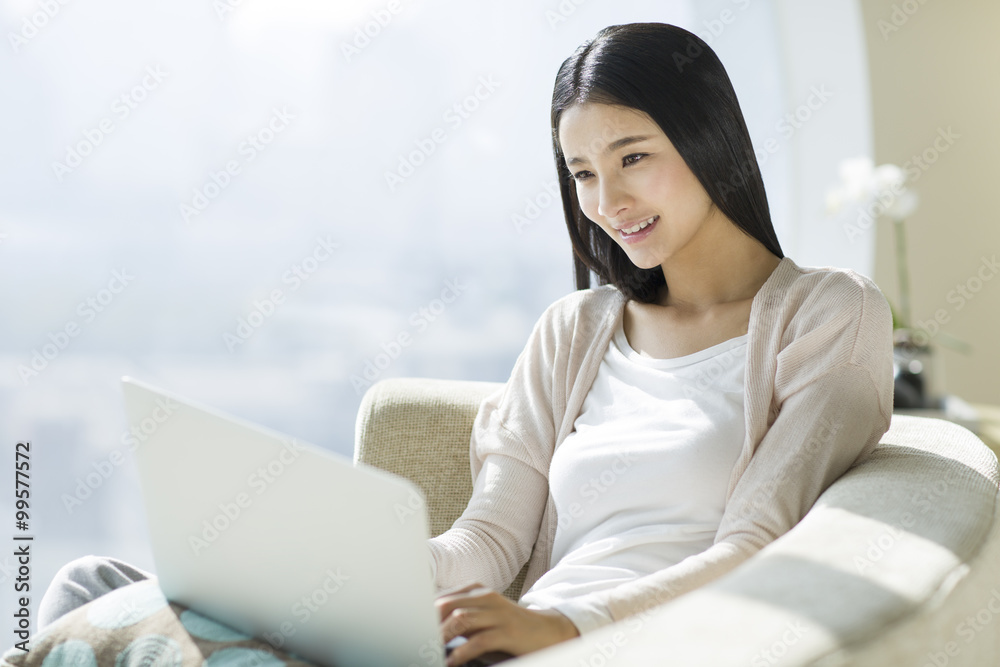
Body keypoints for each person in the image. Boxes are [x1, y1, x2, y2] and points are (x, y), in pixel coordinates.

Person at [38, 22, 894, 667]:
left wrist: (561, 626)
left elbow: (754, 546)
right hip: (489, 642)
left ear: (709, 140)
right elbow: (485, 542)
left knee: (113, 627)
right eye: (583, 172)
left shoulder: (825, 315)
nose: (608, 199)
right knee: (92, 587)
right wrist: (343, 571)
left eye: (634, 156)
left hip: (582, 646)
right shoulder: (576, 329)